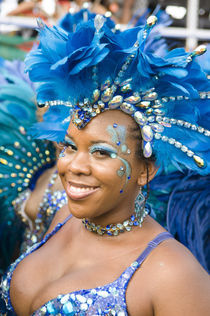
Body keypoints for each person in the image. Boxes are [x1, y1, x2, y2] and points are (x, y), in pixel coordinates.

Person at [1, 14, 210, 315]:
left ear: (145, 171)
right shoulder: (62, 215)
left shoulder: (172, 274)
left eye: (101, 153)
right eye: (70, 146)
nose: (74, 166)